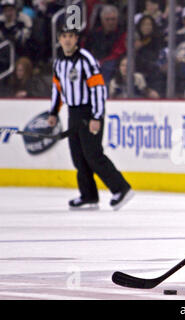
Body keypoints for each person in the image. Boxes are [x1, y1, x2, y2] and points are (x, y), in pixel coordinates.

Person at [47, 25, 134, 211]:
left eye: (71, 36)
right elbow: (57, 88)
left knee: (93, 154)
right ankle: (88, 195)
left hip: (89, 112)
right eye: (64, 36)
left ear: (76, 39)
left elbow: (98, 88)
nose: (68, 40)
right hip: (73, 113)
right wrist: (54, 112)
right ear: (59, 39)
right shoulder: (59, 62)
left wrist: (97, 116)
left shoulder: (86, 60)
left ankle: (121, 188)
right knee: (78, 157)